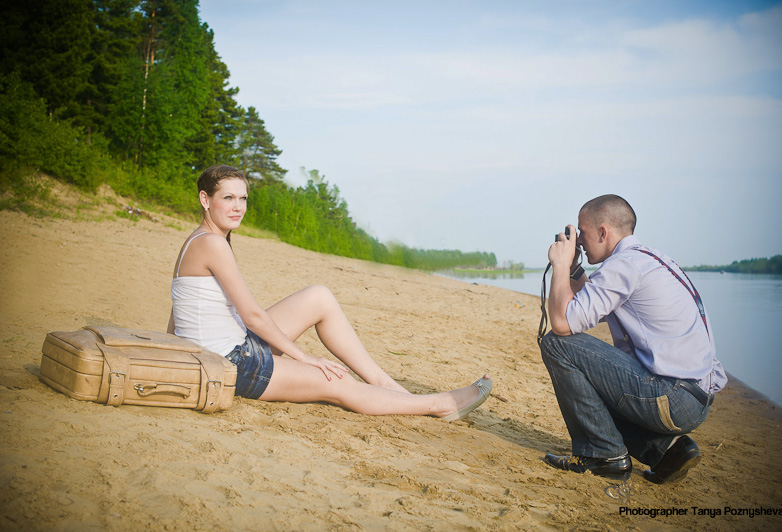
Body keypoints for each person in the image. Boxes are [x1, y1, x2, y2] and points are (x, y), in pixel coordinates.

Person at [167, 164, 491, 420]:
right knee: (338, 382)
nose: (238, 207)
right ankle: (439, 405)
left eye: (243, 198)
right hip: (232, 363)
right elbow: (252, 316)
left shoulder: (198, 240)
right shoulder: (213, 244)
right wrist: (305, 357)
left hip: (232, 347)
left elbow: (179, 307)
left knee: (318, 296)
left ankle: (385, 385)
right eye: (228, 198)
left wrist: (174, 348)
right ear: (205, 199)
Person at [540, 194, 726, 483]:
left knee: (556, 343)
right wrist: (574, 269)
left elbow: (563, 324)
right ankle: (666, 450)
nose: (579, 242)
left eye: (582, 233)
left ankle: (604, 454)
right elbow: (591, 304)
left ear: (603, 232)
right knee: (593, 375)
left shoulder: (623, 266)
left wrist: (560, 266)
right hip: (694, 398)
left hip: (672, 398)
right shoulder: (648, 259)